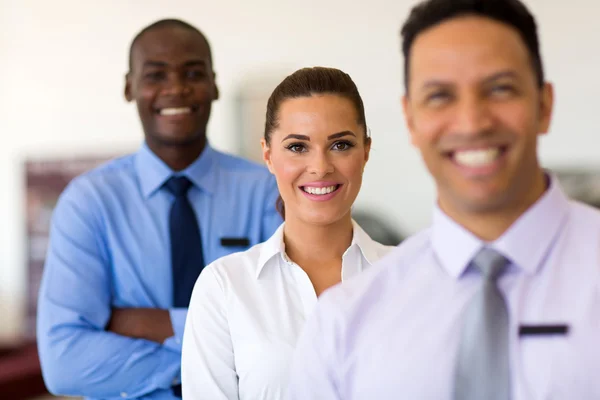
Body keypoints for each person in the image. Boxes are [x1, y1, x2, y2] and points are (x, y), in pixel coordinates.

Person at [286, 0, 600, 399]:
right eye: (440, 96)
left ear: (544, 104)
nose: (472, 122)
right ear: (411, 119)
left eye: (500, 89)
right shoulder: (347, 319)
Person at [36, 19, 281, 400]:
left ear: (214, 85)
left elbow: (288, 333)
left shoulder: (267, 191)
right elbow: (64, 362)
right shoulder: (88, 203)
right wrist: (211, 353)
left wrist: (153, 323)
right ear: (129, 87)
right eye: (156, 74)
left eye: (193, 73)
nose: (176, 88)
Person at [180, 66, 395, 399]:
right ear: (268, 154)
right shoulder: (224, 286)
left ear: (366, 152)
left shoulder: (410, 277)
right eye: (297, 147)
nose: (321, 167)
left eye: (340, 145)